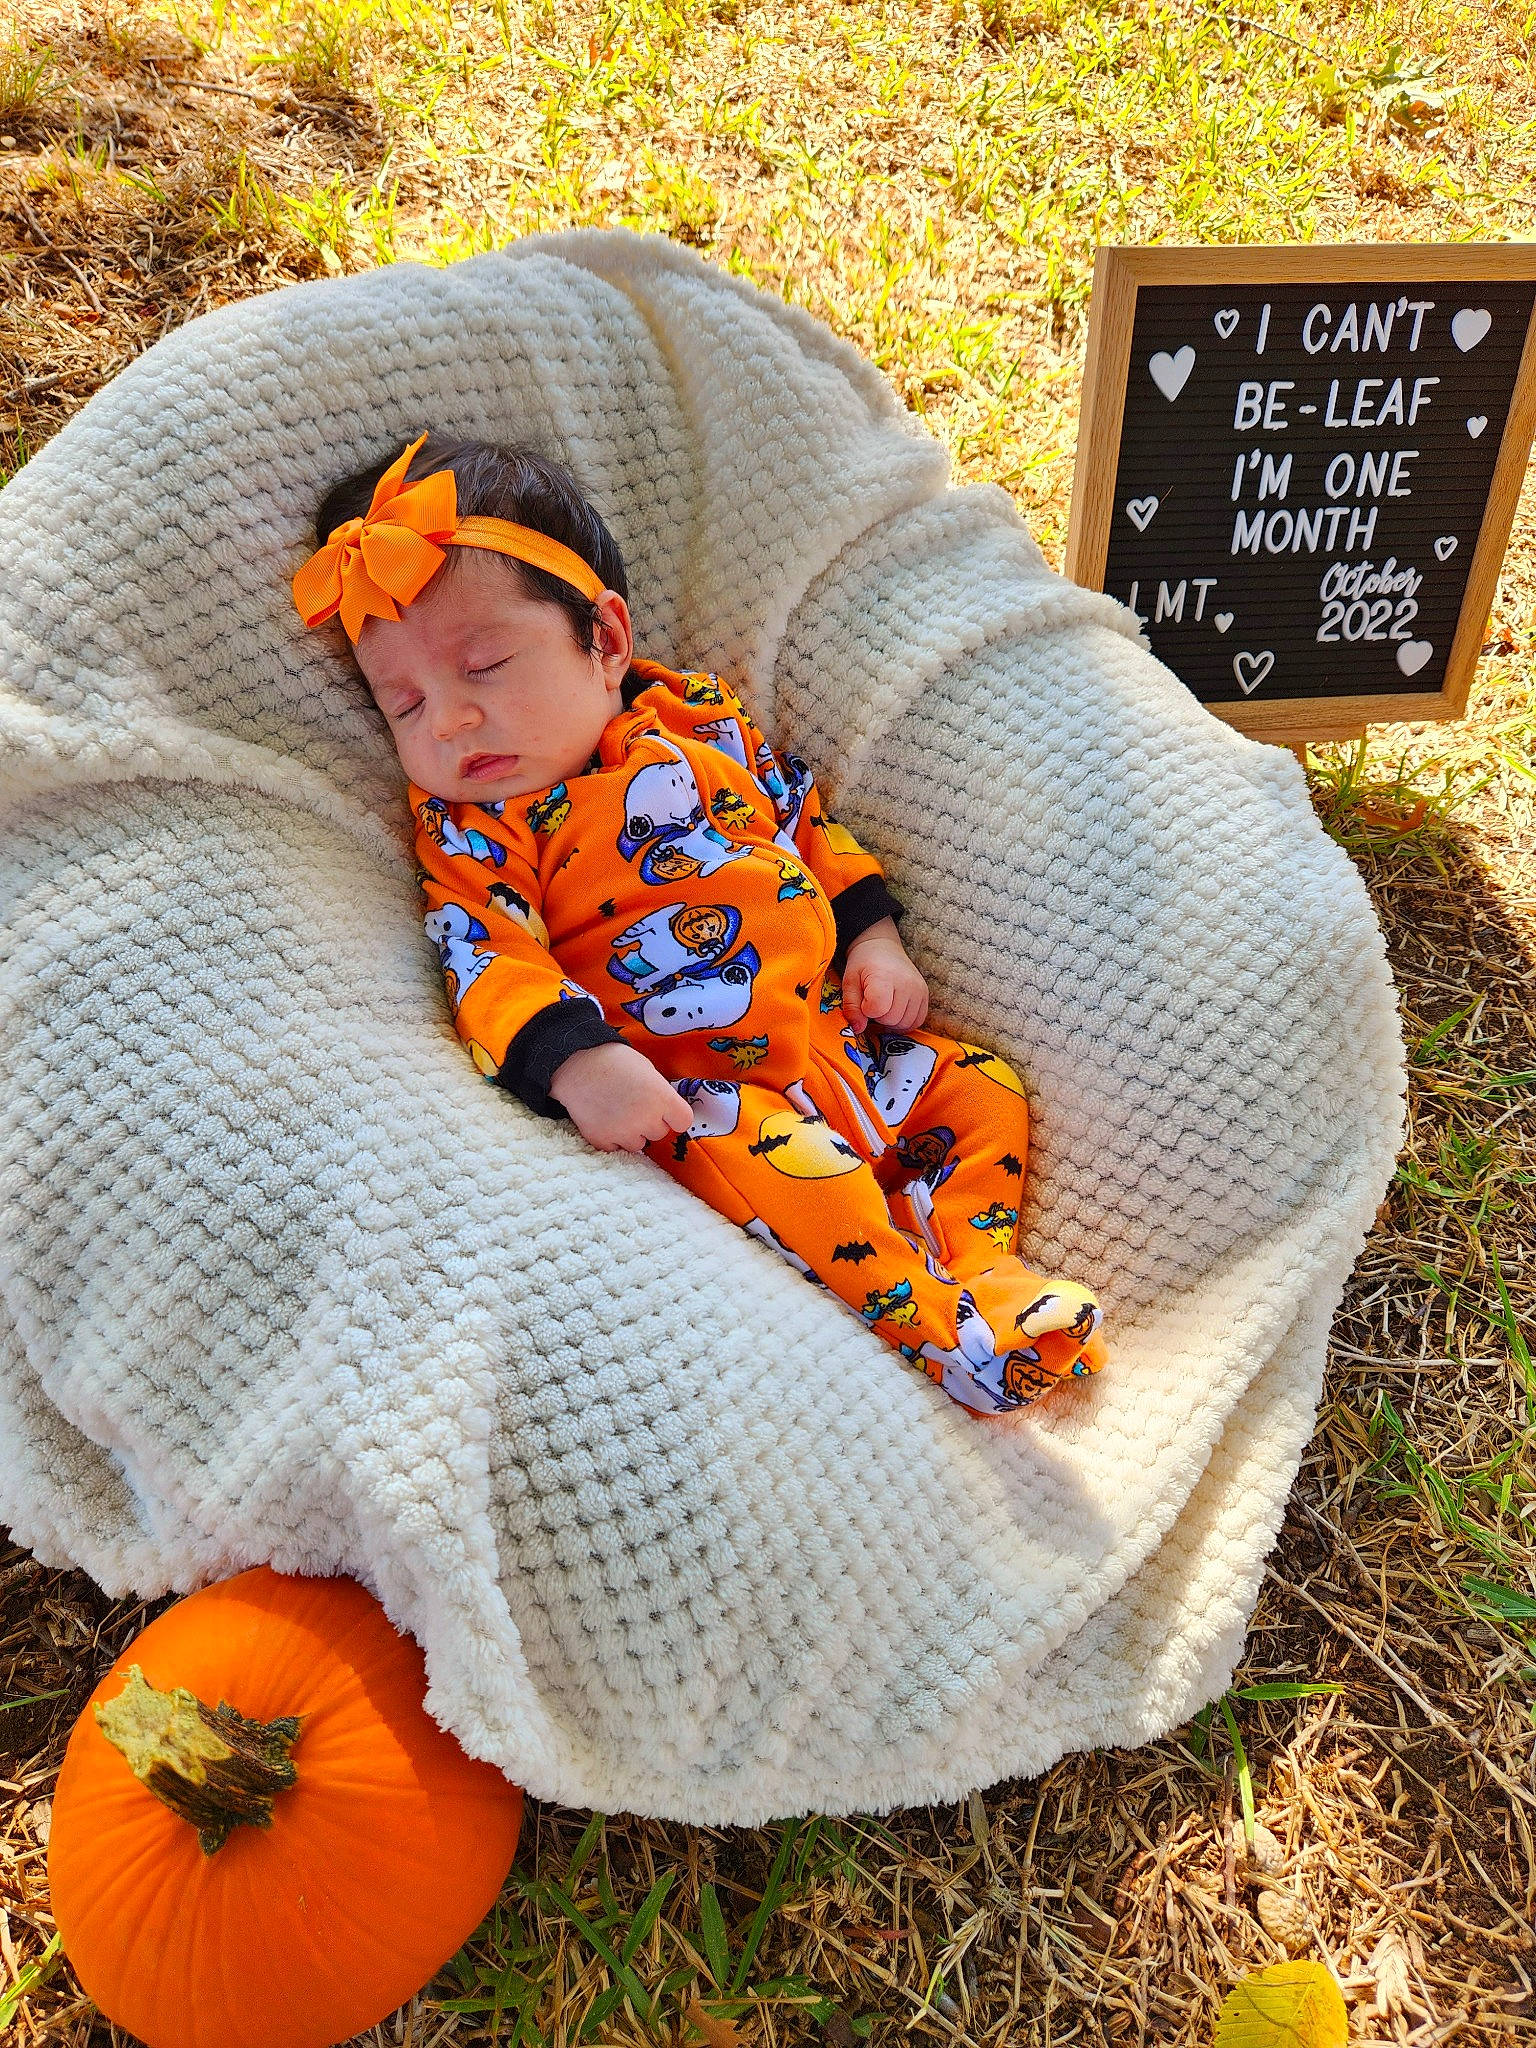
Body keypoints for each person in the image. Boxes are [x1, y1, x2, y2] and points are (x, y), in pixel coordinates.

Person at [293, 430, 1108, 1415]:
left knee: (982, 1092)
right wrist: (579, 1062)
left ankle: (984, 1267)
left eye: (487, 666)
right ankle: (954, 1346)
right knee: (813, 1191)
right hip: (705, 1095)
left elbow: (802, 816)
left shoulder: (697, 716)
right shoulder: (476, 830)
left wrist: (874, 935)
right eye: (406, 703)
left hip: (838, 1047)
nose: (450, 722)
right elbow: (488, 960)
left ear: (607, 641)